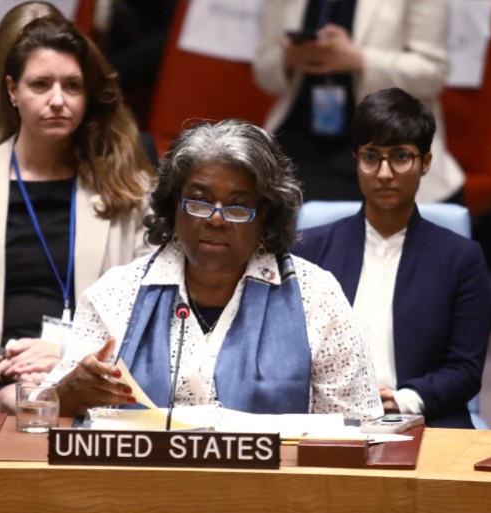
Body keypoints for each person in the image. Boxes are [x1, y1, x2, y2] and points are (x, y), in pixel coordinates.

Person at [0, 15, 155, 416]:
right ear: (12, 90)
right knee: (12, 405)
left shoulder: (130, 187)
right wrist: (4, 362)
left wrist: (66, 355)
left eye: (72, 86)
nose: (58, 99)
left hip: (95, 377)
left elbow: (149, 315)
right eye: (41, 85)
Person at [52, 118, 383, 419]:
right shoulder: (115, 294)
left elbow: (357, 425)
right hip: (140, 482)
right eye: (199, 200)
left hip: (273, 483)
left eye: (238, 205)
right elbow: (41, 411)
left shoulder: (316, 297)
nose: (215, 218)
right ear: (173, 206)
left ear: (265, 214)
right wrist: (70, 393)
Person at [293, 88, 491, 428]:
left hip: (426, 417)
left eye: (401, 156)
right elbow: (290, 350)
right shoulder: (309, 250)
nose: (384, 173)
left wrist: (401, 400)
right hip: (330, 419)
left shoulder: (462, 259)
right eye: (372, 157)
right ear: (356, 160)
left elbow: (464, 370)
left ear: (425, 162)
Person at [252, 0, 463, 204]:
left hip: (380, 140)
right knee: (248, 192)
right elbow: (264, 74)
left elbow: (431, 74)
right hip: (298, 134)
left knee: (307, 207)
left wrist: (359, 60)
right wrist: (288, 59)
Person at [0, 1, 159, 167]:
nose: (57, 100)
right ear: (10, 86)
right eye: (40, 83)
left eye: (70, 83)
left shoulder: (131, 151)